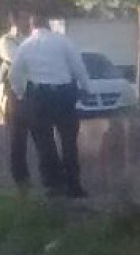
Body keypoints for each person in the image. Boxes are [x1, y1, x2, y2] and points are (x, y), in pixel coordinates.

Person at [9, 14, 91, 198]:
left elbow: (14, 74)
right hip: (64, 94)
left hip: (39, 97)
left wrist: (22, 93)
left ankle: (53, 185)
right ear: (48, 25)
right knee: (69, 141)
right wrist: (86, 88)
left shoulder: (26, 45)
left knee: (45, 142)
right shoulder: (63, 42)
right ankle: (73, 185)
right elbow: (78, 67)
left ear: (32, 26)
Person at [1, 10, 30, 192]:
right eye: (25, 17)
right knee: (17, 138)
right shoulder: (6, 41)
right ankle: (20, 177)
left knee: (41, 135)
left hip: (32, 91)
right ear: (15, 19)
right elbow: (16, 60)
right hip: (14, 92)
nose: (28, 20)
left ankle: (46, 176)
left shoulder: (31, 39)